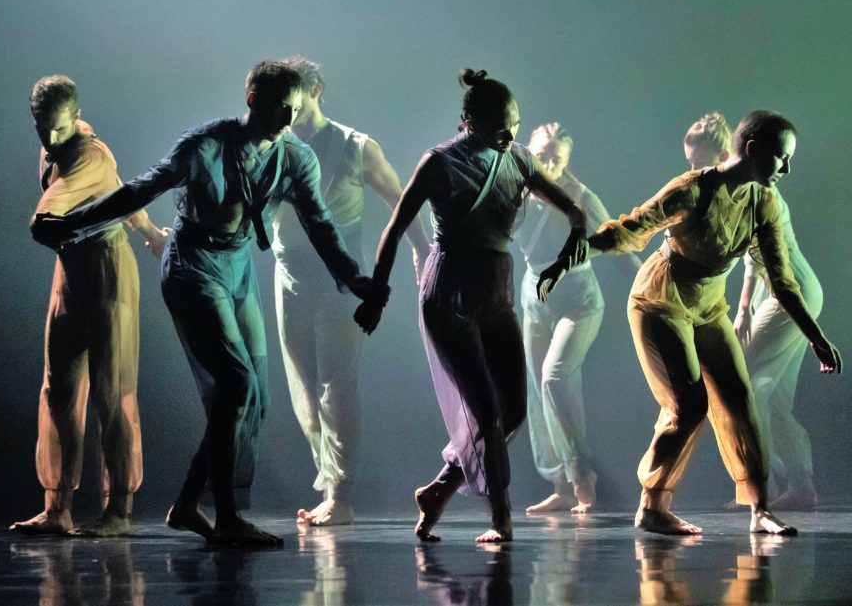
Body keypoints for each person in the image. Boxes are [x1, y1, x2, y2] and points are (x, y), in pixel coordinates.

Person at [31, 61, 371, 547]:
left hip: (238, 271)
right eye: (279, 108)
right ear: (252, 98)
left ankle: (189, 503)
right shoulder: (205, 145)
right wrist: (74, 223)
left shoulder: (294, 156)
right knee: (234, 383)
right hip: (193, 266)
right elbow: (140, 189)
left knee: (253, 395)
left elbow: (319, 222)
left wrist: (351, 276)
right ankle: (225, 518)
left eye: (294, 110)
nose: (288, 120)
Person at [538, 110, 841, 536]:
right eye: (780, 157)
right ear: (752, 150)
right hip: (659, 301)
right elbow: (629, 229)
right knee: (689, 405)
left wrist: (817, 338)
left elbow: (782, 279)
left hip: (708, 306)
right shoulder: (694, 189)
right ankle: (653, 505)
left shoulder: (763, 201)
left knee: (739, 400)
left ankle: (760, 510)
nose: (786, 169)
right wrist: (568, 260)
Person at [353, 69, 588, 543]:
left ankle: (439, 489)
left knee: (515, 409)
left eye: (516, 124)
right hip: (450, 292)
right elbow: (396, 227)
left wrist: (571, 247)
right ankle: (501, 517)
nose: (511, 133)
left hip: (496, 290)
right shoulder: (439, 162)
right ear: (468, 121)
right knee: (485, 412)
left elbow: (575, 209)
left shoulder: (519, 159)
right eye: (501, 125)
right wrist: (378, 293)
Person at [272, 56, 430, 526]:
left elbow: (401, 199)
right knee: (302, 384)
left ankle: (341, 496)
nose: (287, 107)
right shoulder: (273, 145)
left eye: (293, 96)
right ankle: (328, 484)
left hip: (340, 280)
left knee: (336, 383)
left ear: (315, 90)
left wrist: (421, 250)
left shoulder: (354, 146)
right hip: (289, 274)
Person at [12, 75, 168, 537]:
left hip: (107, 272)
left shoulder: (89, 152)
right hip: (71, 274)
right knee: (58, 389)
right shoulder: (55, 147)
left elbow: (46, 214)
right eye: (43, 128)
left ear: (77, 118)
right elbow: (118, 192)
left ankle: (118, 510)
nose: (51, 138)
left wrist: (46, 224)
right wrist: (150, 231)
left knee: (111, 392)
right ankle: (57, 507)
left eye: (60, 128)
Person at [686, 113, 825, 509]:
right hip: (777, 292)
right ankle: (799, 484)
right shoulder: (734, 190)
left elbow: (765, 259)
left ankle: (760, 483)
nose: (695, 170)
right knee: (774, 397)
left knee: (748, 388)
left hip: (790, 291)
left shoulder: (761, 191)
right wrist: (744, 306)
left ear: (727, 152)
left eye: (698, 162)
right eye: (690, 163)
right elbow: (751, 257)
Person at [516, 122, 641, 515]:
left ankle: (582, 475)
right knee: (538, 390)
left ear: (568, 163)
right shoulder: (517, 190)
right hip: (534, 295)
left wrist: (650, 288)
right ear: (528, 152)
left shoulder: (581, 197)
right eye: (542, 155)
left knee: (555, 377)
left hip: (578, 299)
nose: (549, 163)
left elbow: (618, 246)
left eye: (557, 158)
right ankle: (562, 486)